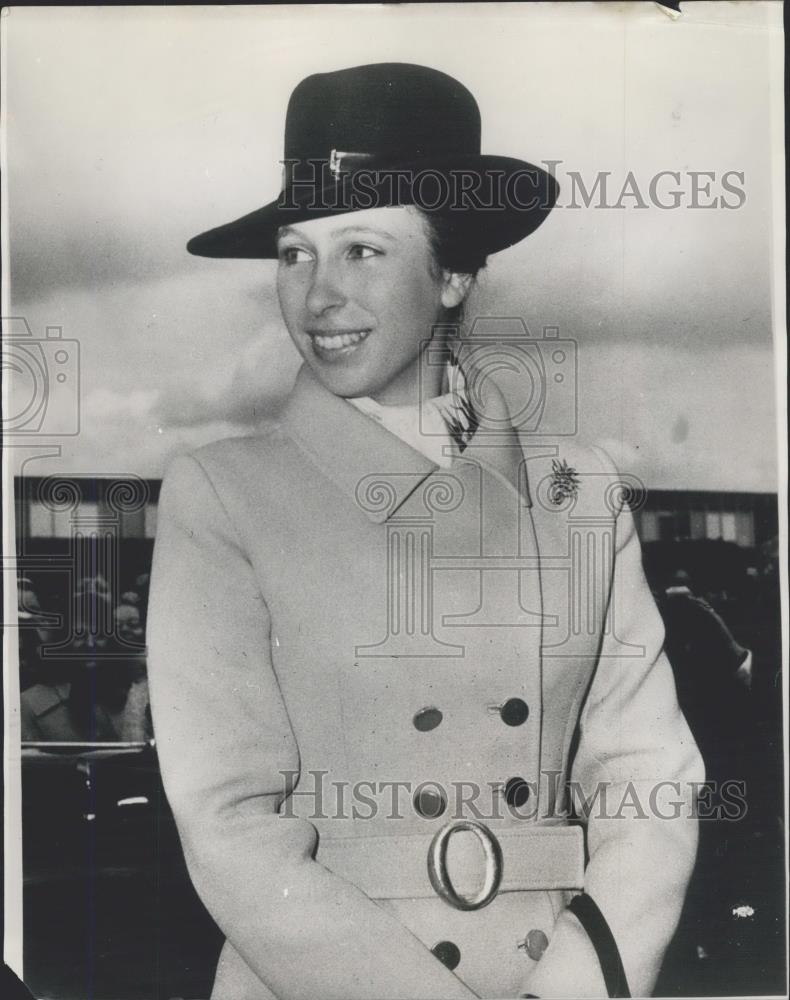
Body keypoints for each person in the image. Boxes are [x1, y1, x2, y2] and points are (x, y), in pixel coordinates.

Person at [147, 63, 703, 1000]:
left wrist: (572, 984)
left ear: (452, 273)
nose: (316, 295)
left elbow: (647, 779)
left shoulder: (582, 493)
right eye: (293, 253)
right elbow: (229, 822)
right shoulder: (222, 496)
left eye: (361, 249)